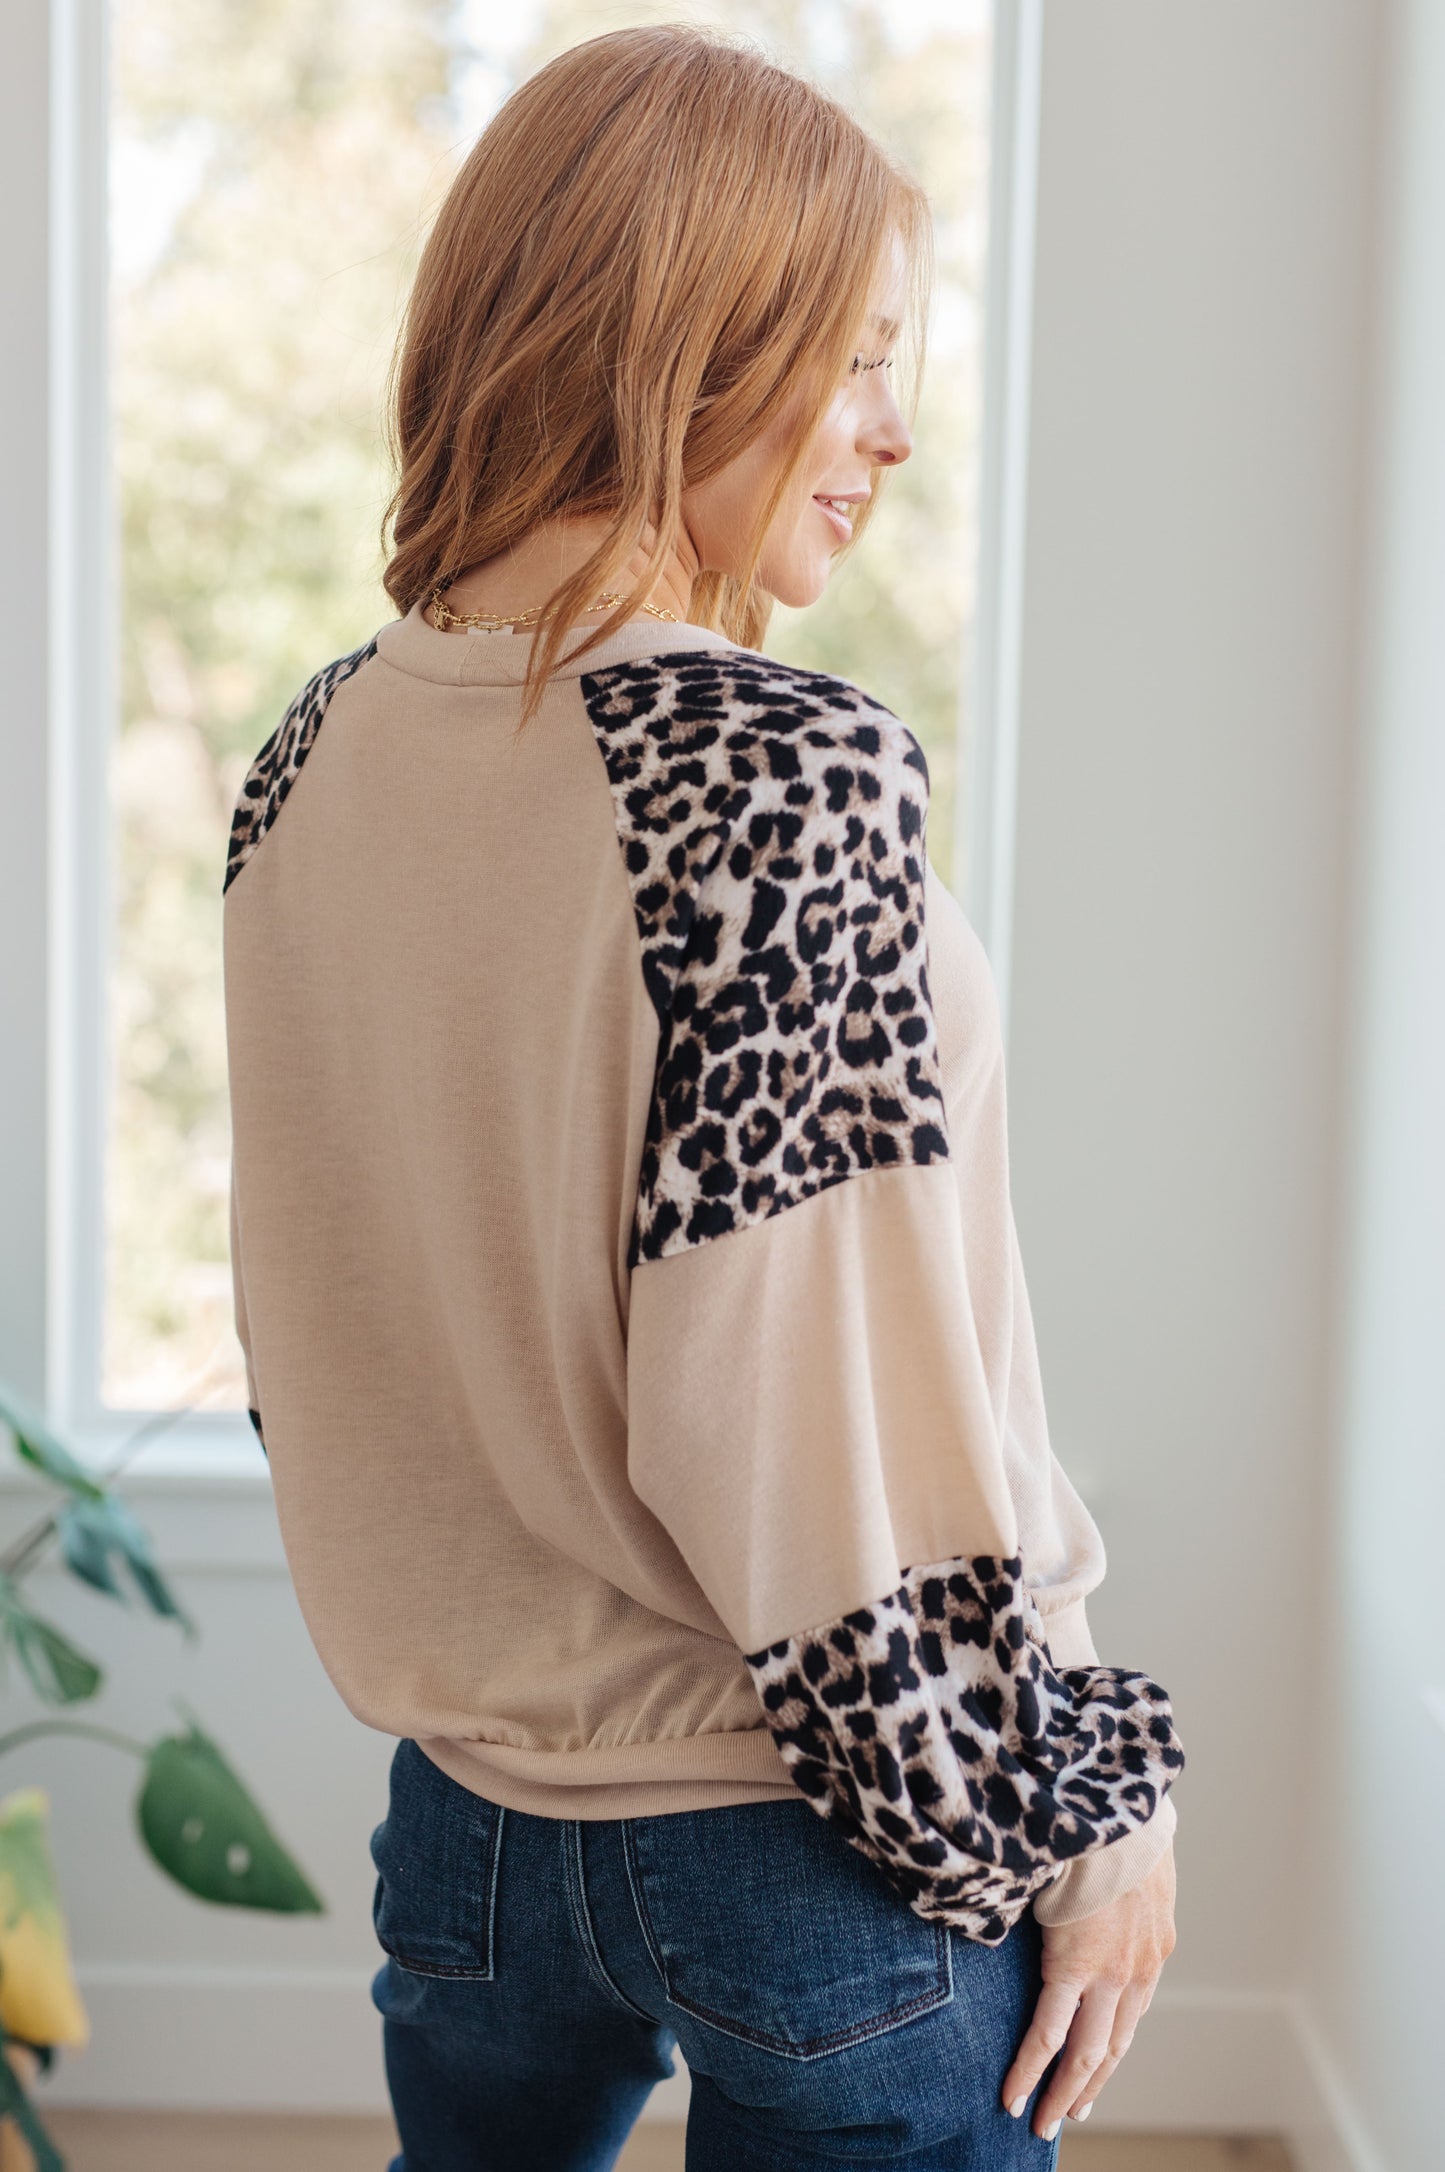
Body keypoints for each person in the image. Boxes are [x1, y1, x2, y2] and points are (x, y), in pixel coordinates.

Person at [222, 24, 1184, 2170]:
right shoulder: (772, 774)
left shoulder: (308, 766)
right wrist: (1083, 1805)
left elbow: (311, 1337)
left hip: (465, 1837)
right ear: (683, 345)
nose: (895, 432)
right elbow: (829, 1431)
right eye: (856, 361)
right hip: (797, 1831)